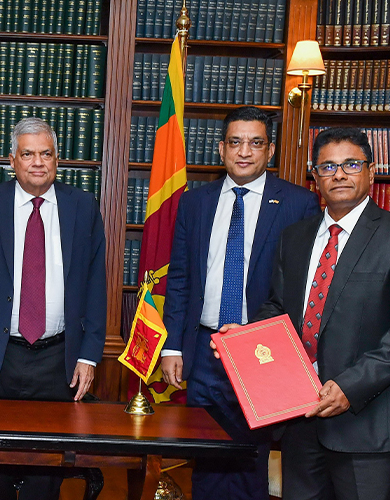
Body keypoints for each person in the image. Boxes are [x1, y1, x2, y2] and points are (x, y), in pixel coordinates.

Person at [215, 127, 390, 499]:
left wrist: (351, 387)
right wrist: (243, 338)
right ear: (315, 176)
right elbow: (279, 307)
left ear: (371, 172)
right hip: (297, 418)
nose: (339, 174)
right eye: (328, 166)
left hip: (366, 425)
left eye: (351, 164)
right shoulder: (295, 237)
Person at [159, 106, 320, 500]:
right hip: (205, 347)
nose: (244, 152)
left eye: (255, 143)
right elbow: (180, 277)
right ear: (221, 149)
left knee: (252, 457)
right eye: (235, 142)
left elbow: (303, 286)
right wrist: (172, 345)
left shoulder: (298, 204)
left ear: (270, 151)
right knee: (206, 455)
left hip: (263, 351)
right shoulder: (195, 203)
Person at [0, 116, 106, 499]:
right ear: (12, 160)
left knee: (46, 475)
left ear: (57, 159)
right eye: (28, 154)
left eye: (46, 154)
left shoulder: (83, 206)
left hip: (59, 360)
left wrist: (89, 355)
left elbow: (95, 285)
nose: (38, 162)